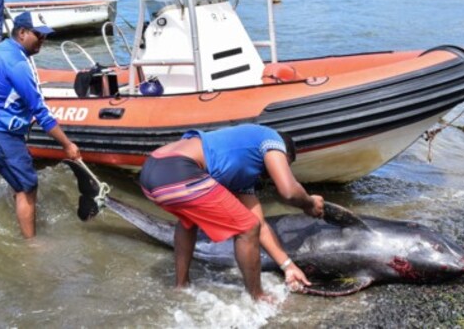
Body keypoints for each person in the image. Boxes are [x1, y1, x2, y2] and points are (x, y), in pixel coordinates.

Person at [138, 123, 324, 300]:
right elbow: (289, 191)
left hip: (151, 174)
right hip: (179, 171)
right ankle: (257, 297)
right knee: (247, 228)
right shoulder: (271, 138)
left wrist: (288, 266)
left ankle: (181, 285)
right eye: (285, 163)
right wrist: (309, 203)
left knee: (189, 221)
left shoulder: (240, 175)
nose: (275, 173)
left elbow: (261, 225)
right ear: (283, 153)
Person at [0, 12, 80, 238]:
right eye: (38, 35)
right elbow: (41, 111)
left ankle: (17, 208)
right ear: (22, 33)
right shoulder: (16, 64)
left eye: (45, 36)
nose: (42, 41)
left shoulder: (1, 50)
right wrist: (68, 145)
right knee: (28, 185)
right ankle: (32, 245)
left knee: (20, 180)